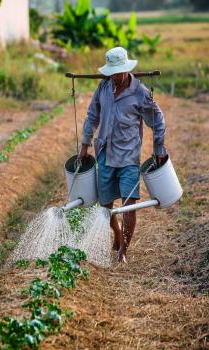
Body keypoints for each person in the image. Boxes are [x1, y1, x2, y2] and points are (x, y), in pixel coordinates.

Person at [78, 46, 167, 263]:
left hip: (128, 157)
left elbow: (158, 120)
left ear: (127, 69)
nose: (114, 76)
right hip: (105, 154)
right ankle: (117, 233)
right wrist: (84, 144)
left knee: (129, 204)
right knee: (105, 207)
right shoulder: (104, 87)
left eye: (118, 72)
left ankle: (123, 252)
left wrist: (159, 149)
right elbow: (92, 116)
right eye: (111, 72)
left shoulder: (140, 93)